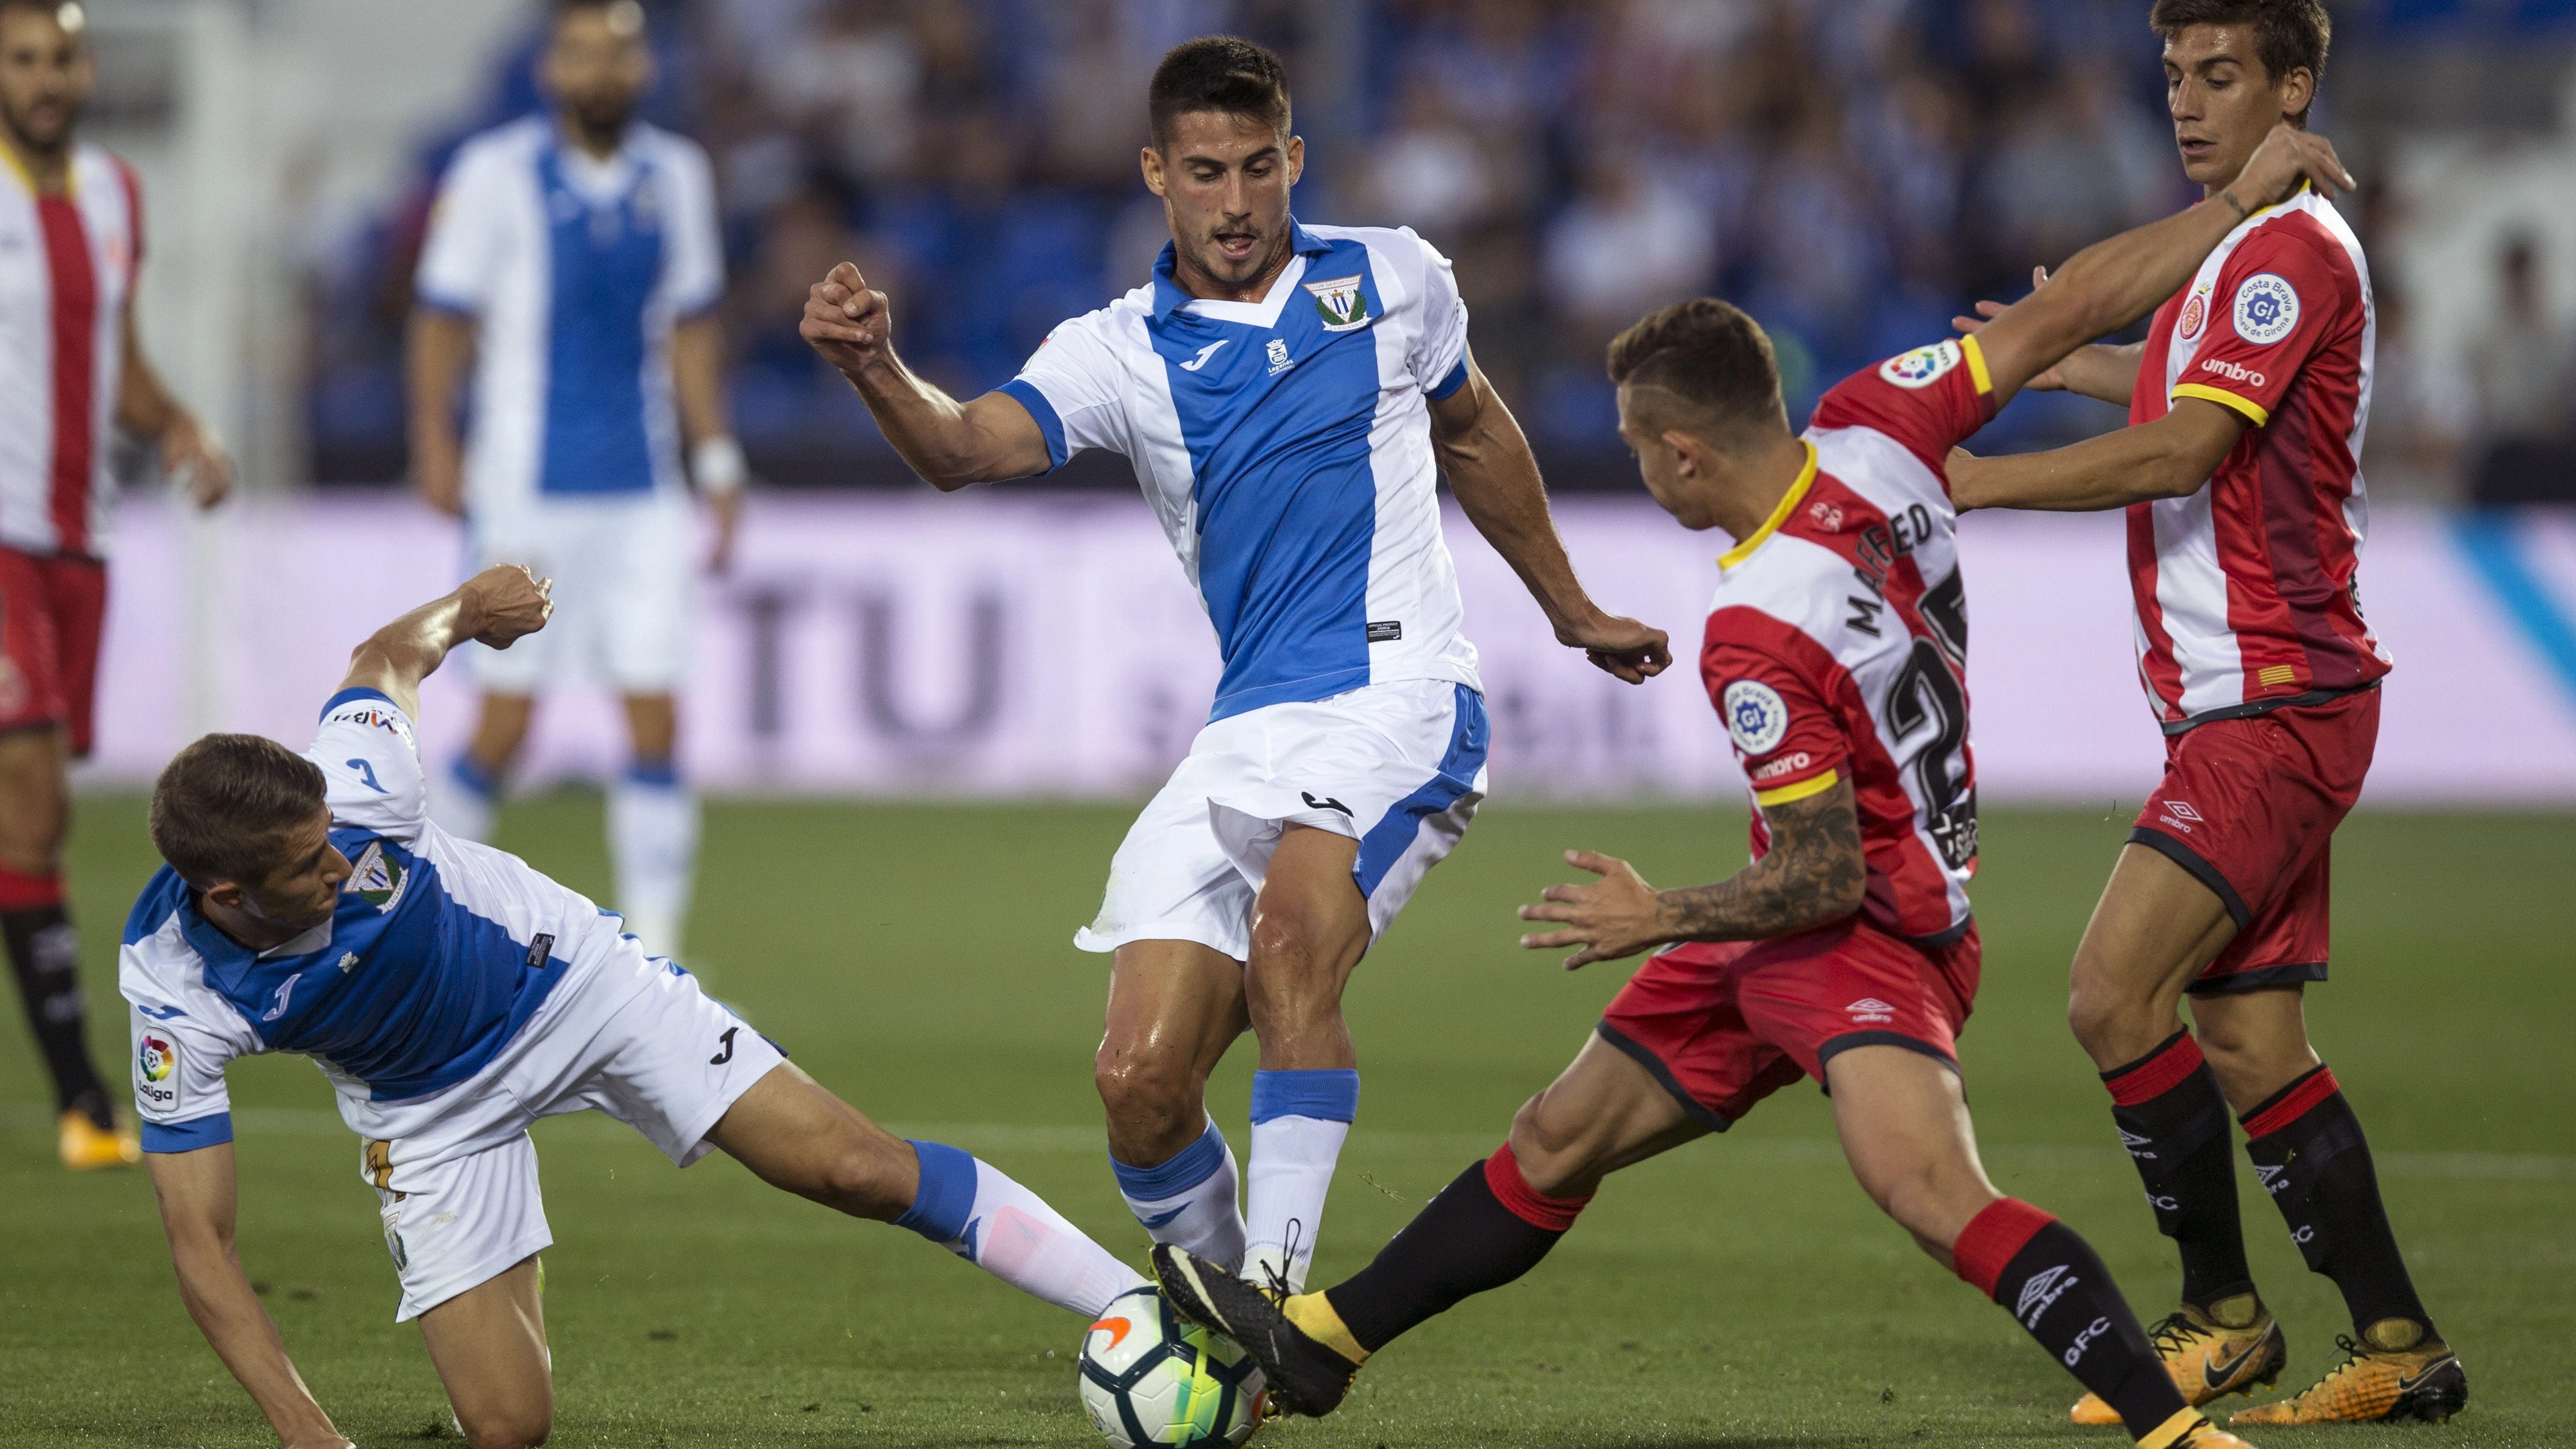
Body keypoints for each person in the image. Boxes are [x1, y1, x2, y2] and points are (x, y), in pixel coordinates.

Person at [1149, 119, 2364, 1449]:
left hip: (1870, 934)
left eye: (1631, 442)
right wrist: (2238, 197)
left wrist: (1654, 914)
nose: (1631, 462)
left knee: (1934, 1193)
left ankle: (2174, 1430)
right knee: (1558, 1136)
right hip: (1835, 916)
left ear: (1682, 455)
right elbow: (2068, 307)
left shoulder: (1758, 633)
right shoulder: (1881, 423)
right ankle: (1321, 1342)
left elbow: (1822, 871)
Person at [800, 35, 1670, 1298]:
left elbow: (1473, 430)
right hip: (1249, 725)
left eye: (1260, 168)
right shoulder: (1118, 350)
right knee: (1139, 1082)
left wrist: (1571, 605)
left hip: (1400, 689)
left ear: (1295, 159)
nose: (1237, 201)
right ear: (1158, 173)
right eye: (1206, 172)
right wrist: (876, 366)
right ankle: (1221, 1336)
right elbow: (964, 449)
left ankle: (1275, 1296)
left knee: (1290, 939)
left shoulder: (1391, 278)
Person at [125, 566, 1144, 1449]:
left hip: (572, 981)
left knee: (853, 1168)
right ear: (226, 895)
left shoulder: (359, 788)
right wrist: (306, 1429)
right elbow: (200, 1243)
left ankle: (1138, 1307)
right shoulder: (176, 993)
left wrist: (473, 606)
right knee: (509, 1425)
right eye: (308, 866)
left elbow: (387, 651)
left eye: (333, 840)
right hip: (428, 1111)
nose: (342, 864)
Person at [1947, 1, 2466, 1426]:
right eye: (2173, 73)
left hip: (2274, 702)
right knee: (2249, 1046)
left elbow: (2189, 442)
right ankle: (2401, 1342)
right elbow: (2176, 389)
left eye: (2221, 75)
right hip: (2253, 701)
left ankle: (2220, 1318)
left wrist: (1984, 483)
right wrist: (2060, 366)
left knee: (2111, 993)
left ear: (2293, 89)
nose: (2186, 101)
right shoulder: (2241, 251)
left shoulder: (2289, 246)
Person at [409, 0, 744, 960]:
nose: (603, 74)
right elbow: (441, 318)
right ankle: (428, 930)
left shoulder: (678, 176)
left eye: (620, 57)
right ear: (552, 71)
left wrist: (716, 457)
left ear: (643, 72)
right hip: (523, 491)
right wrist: (435, 443)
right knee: (507, 728)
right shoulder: (492, 174)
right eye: (584, 56)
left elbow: (690, 325)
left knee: (656, 718)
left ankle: (659, 962)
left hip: (641, 491)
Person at [0, 0, 230, 1169]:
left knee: (33, 817)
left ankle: (84, 1097)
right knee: (30, 799)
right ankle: (88, 1100)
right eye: (25, 59)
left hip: (77, 544)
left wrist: (180, 421)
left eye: (62, 58)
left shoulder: (112, 194)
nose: (47, 79)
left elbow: (117, 365)